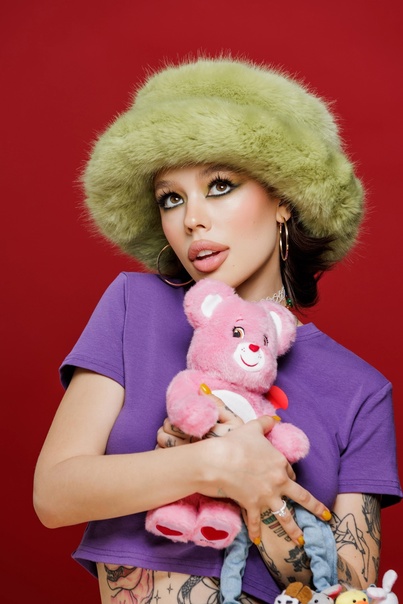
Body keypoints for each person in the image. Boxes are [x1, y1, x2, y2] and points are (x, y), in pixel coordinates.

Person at [33, 57, 402, 604]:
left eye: (221, 185)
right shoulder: (135, 307)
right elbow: (54, 495)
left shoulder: (360, 390)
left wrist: (263, 492)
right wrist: (212, 463)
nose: (191, 220)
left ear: (284, 199)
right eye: (171, 198)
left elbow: (351, 591)